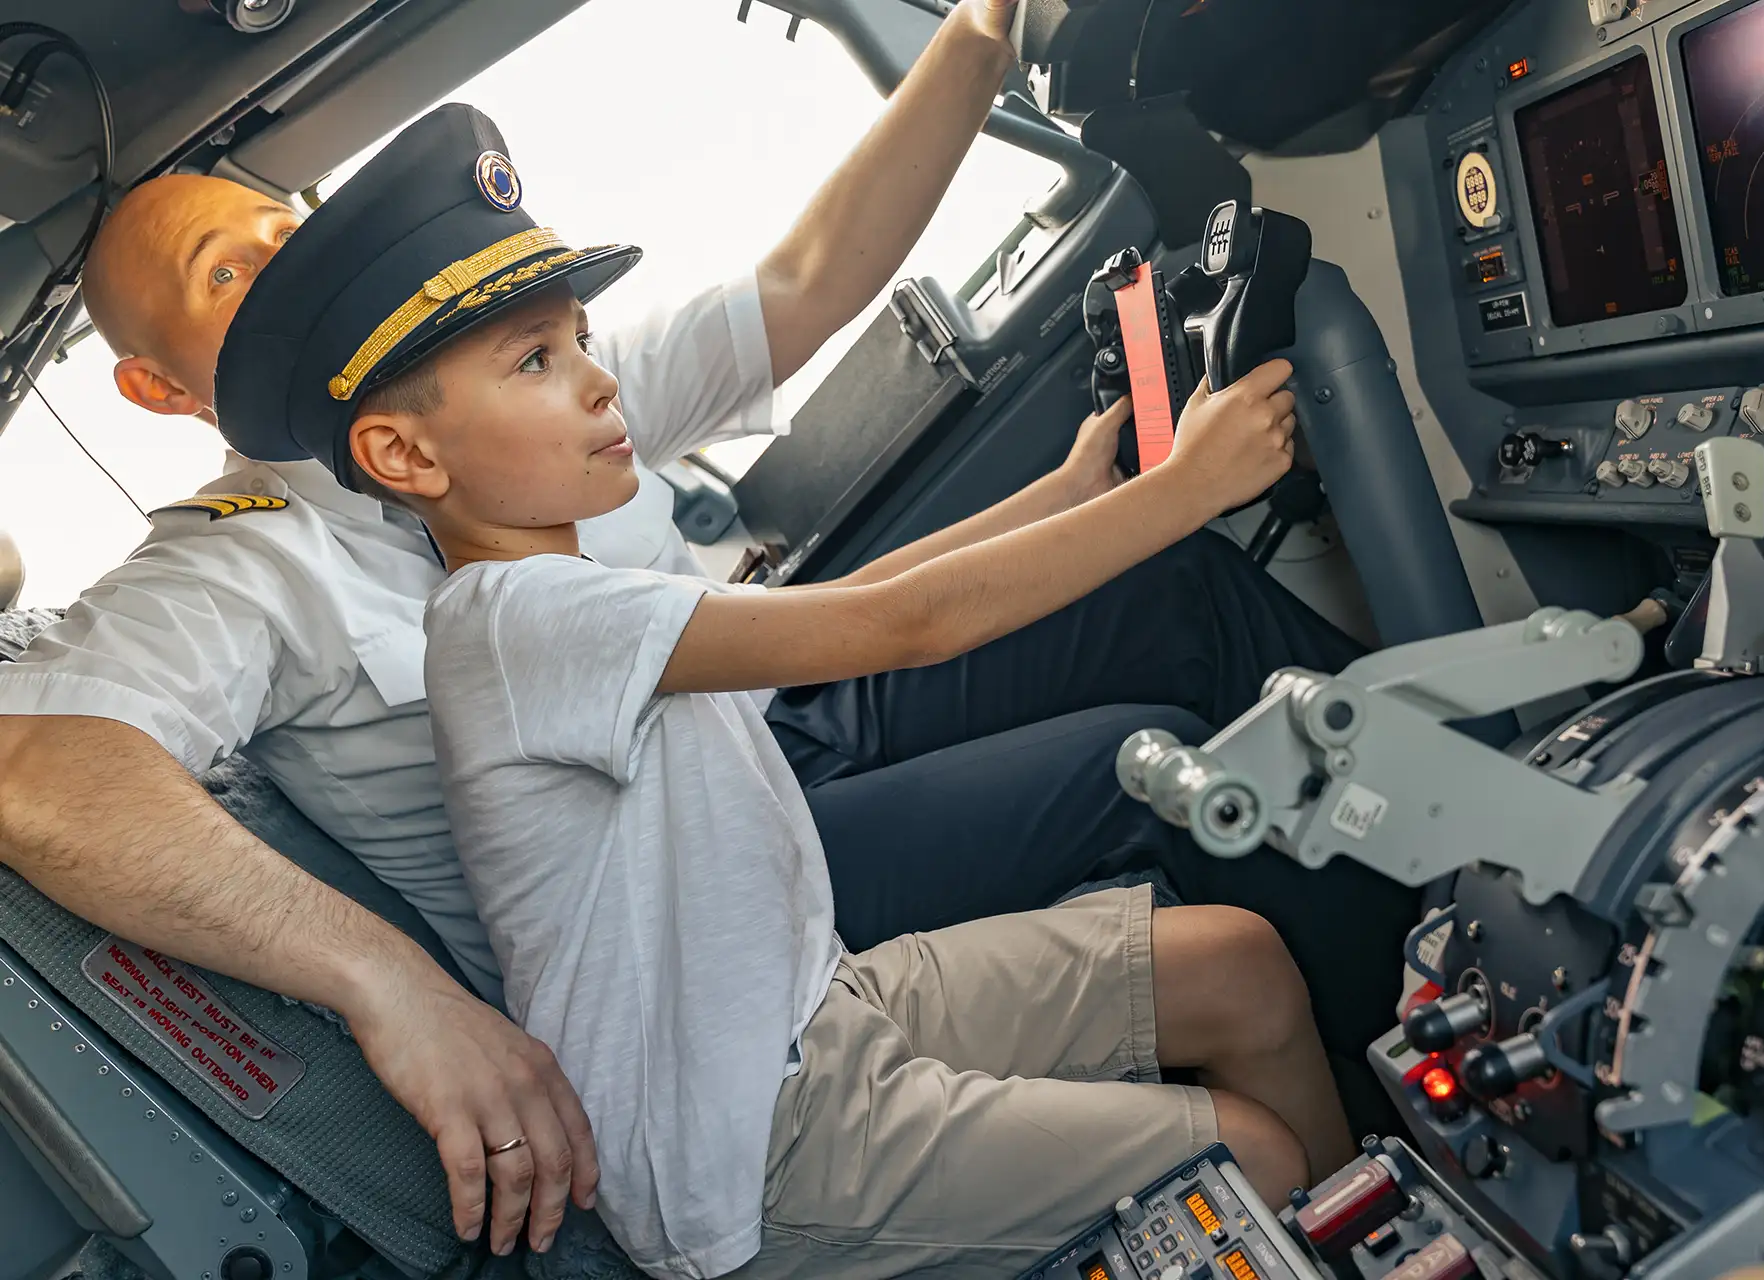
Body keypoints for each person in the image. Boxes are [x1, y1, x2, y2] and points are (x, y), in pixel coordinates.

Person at [0, 0, 1399, 1258]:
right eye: (223, 273)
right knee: (1244, 1117)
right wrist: (393, 988)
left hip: (786, 977)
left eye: (275, 220)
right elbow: (894, 626)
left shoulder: (526, 473)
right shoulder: (370, 578)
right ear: (154, 389)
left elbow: (791, 565)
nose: (597, 383)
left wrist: (1077, 486)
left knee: (1236, 958)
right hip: (732, 1120)